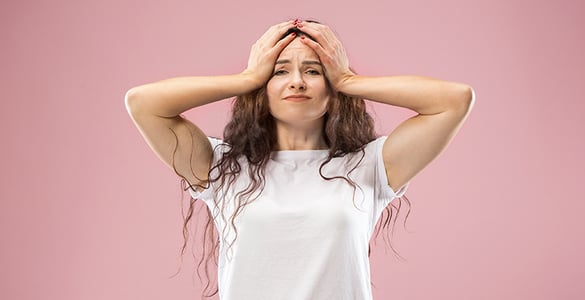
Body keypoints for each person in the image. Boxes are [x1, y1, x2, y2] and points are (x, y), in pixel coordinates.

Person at [125, 19, 474, 300]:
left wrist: (349, 78)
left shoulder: (369, 165)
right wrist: (246, 78)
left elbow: (454, 100)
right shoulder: (223, 169)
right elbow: (143, 103)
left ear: (332, 87)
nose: (296, 82)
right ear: (263, 87)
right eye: (279, 71)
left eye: (313, 71)